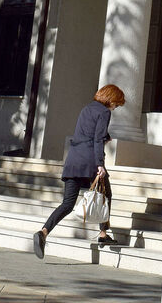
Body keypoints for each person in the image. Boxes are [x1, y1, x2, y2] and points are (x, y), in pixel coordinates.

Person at [32, 83, 125, 260]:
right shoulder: (104, 112)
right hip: (90, 162)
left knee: (67, 203)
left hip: (73, 160)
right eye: (117, 103)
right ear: (111, 99)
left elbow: (86, 134)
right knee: (106, 195)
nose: (116, 107)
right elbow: (97, 139)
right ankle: (103, 234)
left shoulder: (86, 108)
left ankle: (43, 232)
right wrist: (100, 164)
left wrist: (104, 137)